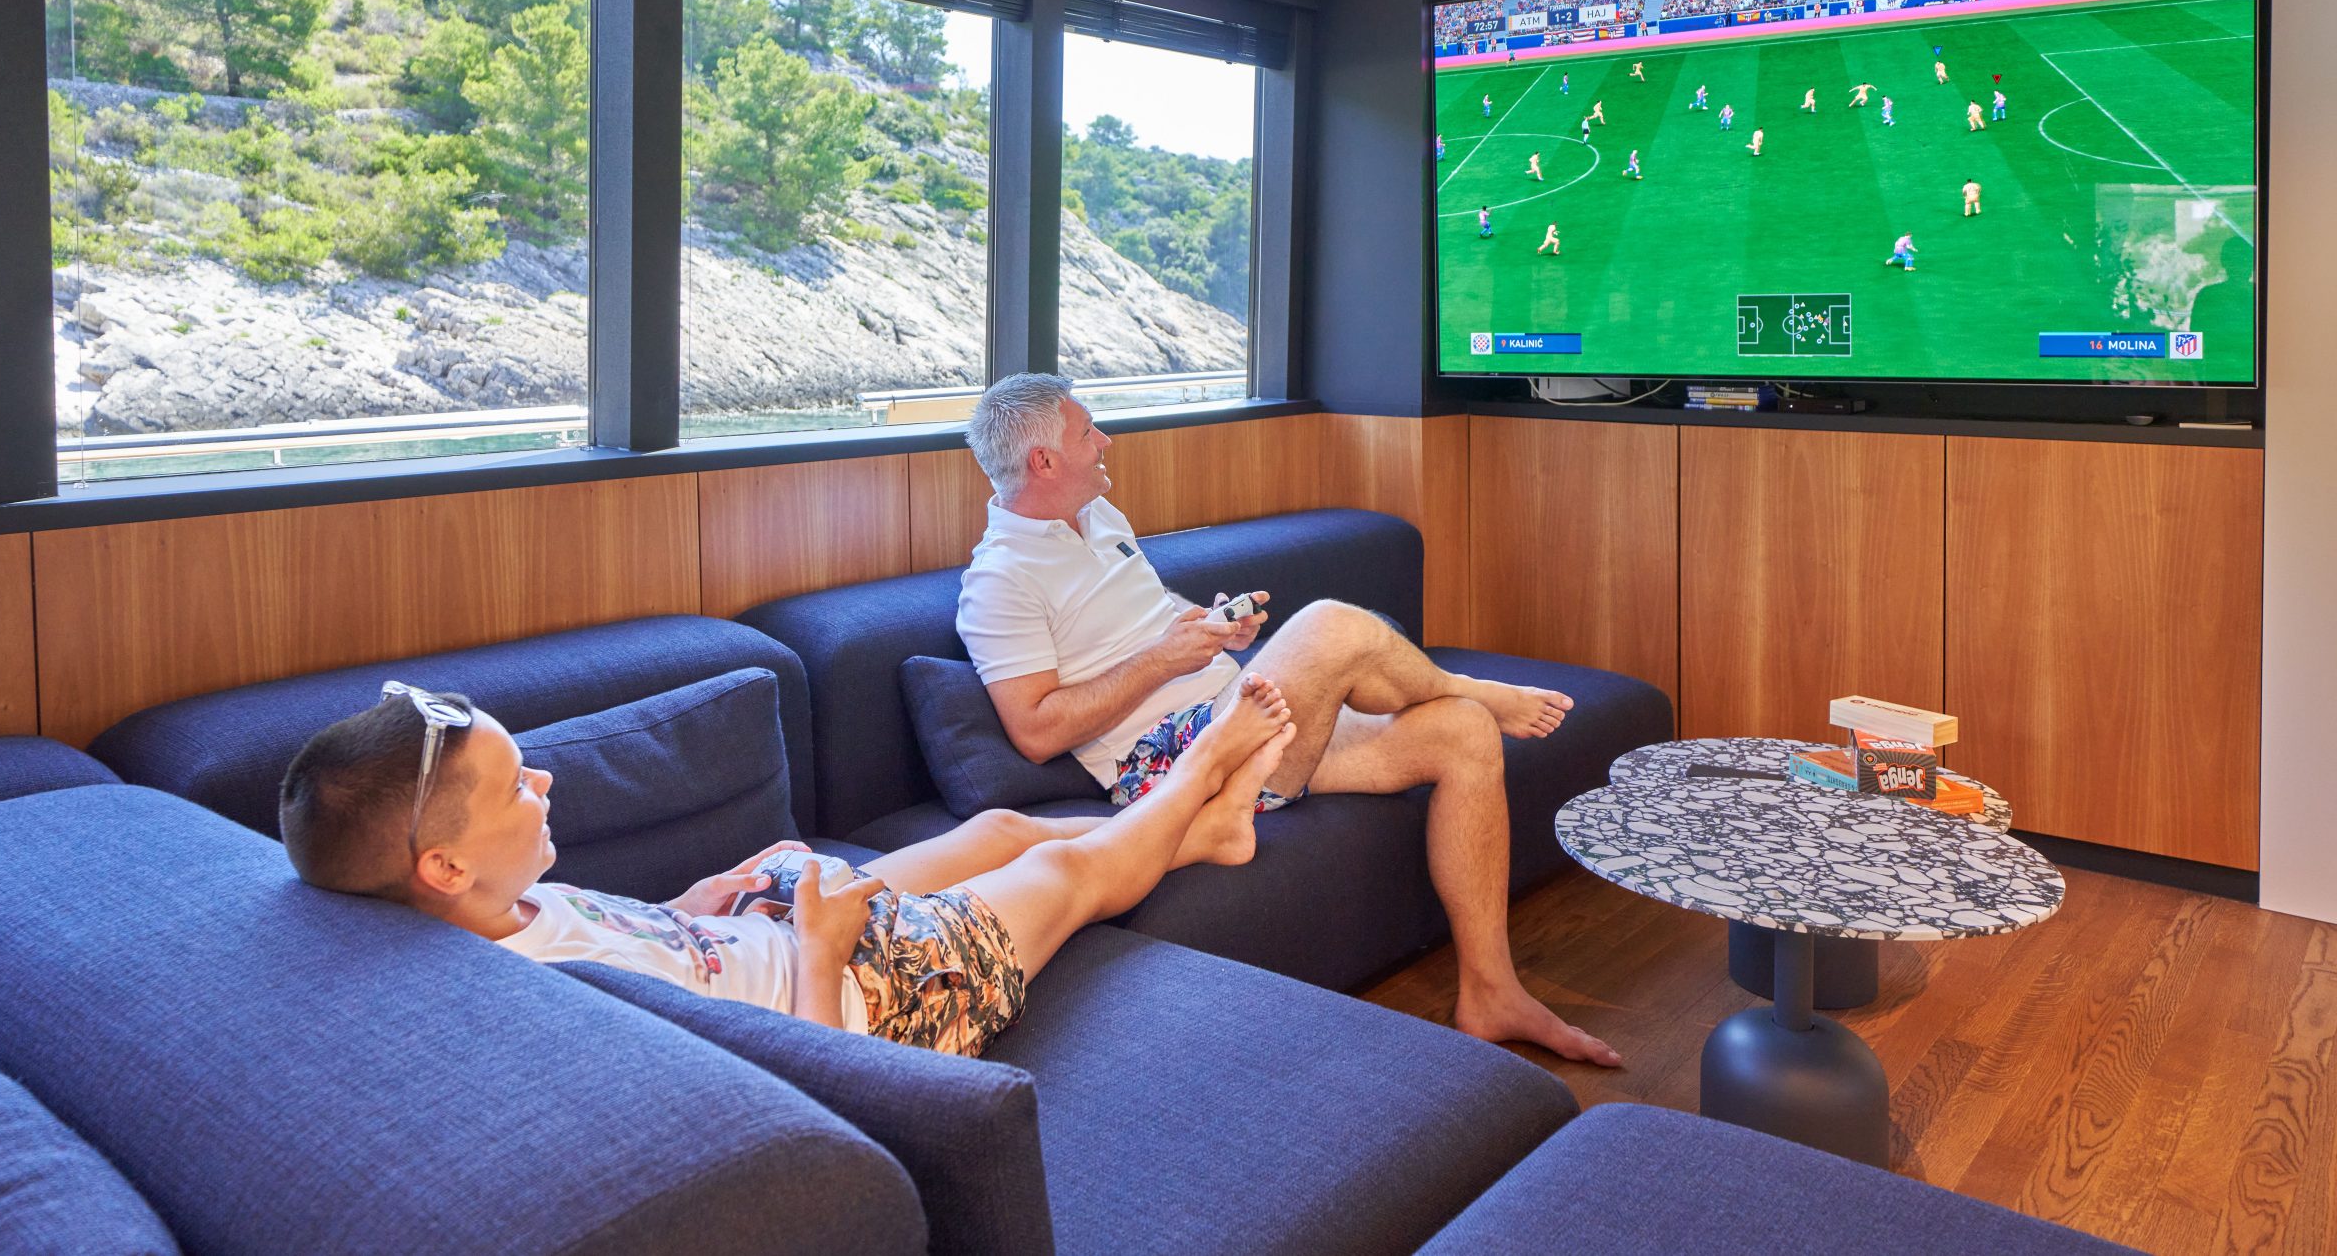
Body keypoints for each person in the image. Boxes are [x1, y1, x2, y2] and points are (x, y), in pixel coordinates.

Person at [952, 377, 1614, 1064]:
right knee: (1331, 627)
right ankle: (1468, 683)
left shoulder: (1099, 515)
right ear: (1044, 462)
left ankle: (1491, 990)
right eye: (1088, 432)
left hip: (1231, 701)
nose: (1106, 442)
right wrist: (1163, 659)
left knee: (1464, 731)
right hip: (1173, 766)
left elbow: (1148, 622)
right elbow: (1034, 730)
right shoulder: (1001, 579)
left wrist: (1209, 626)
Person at [279, 678, 1297, 1059]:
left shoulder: (508, 904)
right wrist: (822, 951)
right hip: (866, 1005)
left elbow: (639, 936)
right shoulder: (559, 1010)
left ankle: (1205, 836)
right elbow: (798, 1087)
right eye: (514, 786)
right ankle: (1203, 765)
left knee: (993, 827)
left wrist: (701, 898)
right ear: (444, 866)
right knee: (1070, 871)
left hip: (782, 936)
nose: (542, 780)